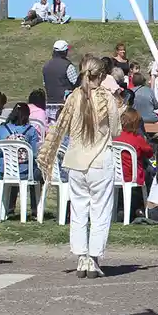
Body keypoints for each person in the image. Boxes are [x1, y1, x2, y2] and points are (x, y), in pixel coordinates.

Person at [40, 57, 122, 279]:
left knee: (78, 210)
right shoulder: (106, 98)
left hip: (75, 162)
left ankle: (81, 258)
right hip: (100, 161)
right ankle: (93, 259)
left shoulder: (72, 97)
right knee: (100, 211)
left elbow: (61, 127)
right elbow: (116, 131)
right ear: (101, 75)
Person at [43, 40, 79, 107]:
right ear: (65, 52)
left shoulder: (46, 66)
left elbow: (45, 84)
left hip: (50, 104)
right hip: (66, 104)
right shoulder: (68, 66)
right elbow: (77, 84)